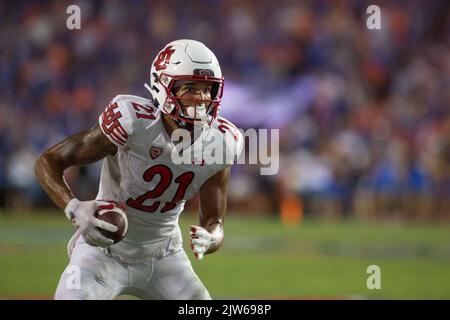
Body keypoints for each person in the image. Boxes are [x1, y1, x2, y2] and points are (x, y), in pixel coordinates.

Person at [35, 39, 243, 300]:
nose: (200, 99)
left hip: (166, 256)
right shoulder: (133, 121)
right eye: (189, 88)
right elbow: (48, 162)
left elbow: (214, 221)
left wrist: (212, 238)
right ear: (162, 86)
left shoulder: (222, 140)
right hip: (103, 253)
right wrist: (75, 208)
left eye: (207, 90)